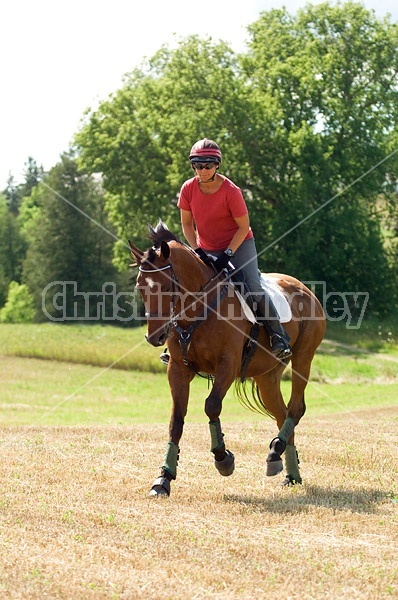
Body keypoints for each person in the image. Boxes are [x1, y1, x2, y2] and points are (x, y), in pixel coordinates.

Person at [160, 137, 292, 364]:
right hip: (205, 247)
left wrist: (228, 254)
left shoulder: (231, 191)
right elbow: (186, 225)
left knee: (251, 287)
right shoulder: (188, 189)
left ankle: (278, 336)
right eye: (198, 165)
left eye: (208, 165)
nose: (202, 170)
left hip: (239, 244)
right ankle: (173, 342)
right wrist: (197, 250)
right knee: (183, 286)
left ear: (217, 165)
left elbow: (243, 227)